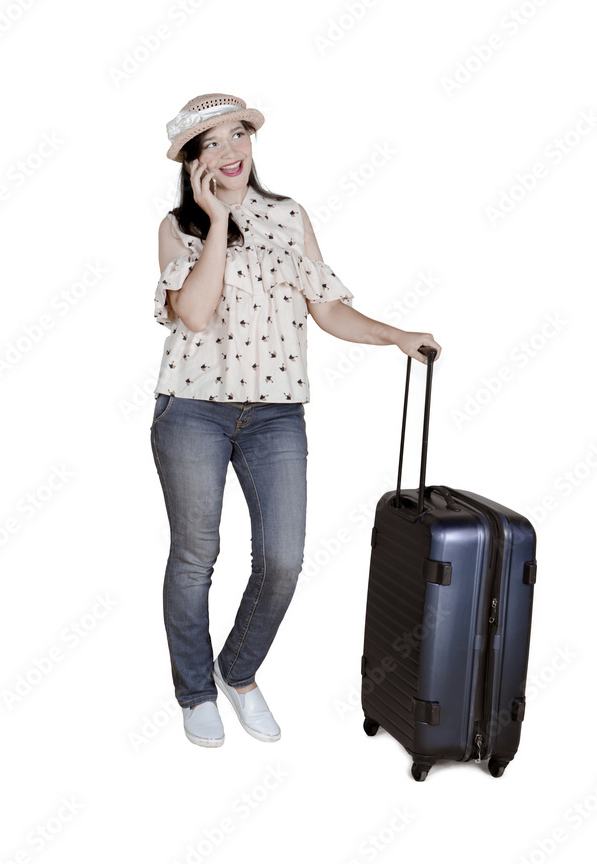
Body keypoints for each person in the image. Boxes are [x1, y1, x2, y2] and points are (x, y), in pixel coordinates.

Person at [150, 93, 442, 748]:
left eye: (237, 135)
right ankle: (195, 690)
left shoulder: (290, 215)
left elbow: (326, 307)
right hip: (192, 410)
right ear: (193, 161)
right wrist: (217, 223)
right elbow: (193, 313)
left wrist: (395, 335)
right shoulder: (176, 227)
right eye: (211, 143)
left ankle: (237, 672)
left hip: (276, 414)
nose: (230, 151)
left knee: (283, 559)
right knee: (196, 555)